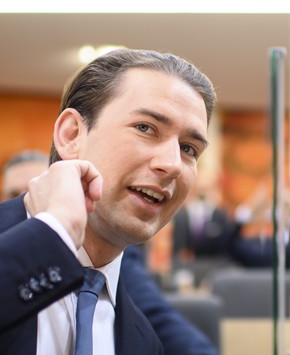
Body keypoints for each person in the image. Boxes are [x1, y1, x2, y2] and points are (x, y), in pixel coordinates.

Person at [0, 48, 216, 354]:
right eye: (145, 128)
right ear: (72, 134)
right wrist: (54, 233)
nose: (173, 165)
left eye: (189, 148)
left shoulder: (144, 342)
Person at [1, 149, 218, 355]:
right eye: (14, 194)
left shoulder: (140, 334)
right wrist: (55, 228)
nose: (30, 198)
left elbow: (157, 313)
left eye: (46, 187)